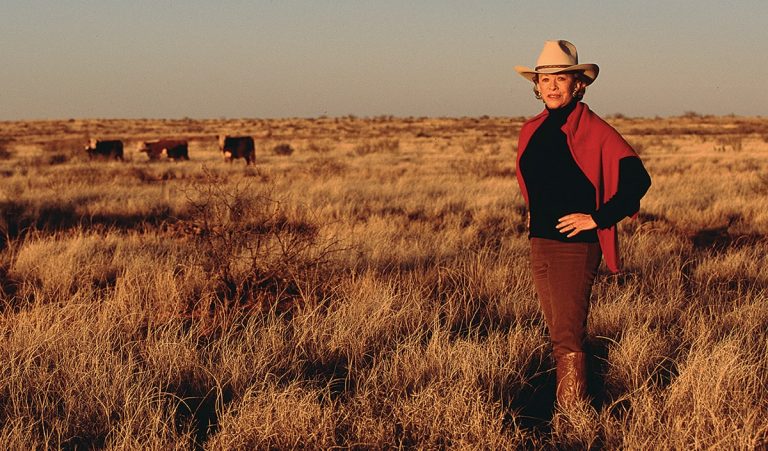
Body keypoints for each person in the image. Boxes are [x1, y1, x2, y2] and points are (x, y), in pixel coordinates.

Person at [513, 40, 651, 408]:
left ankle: (574, 421)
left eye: (561, 78)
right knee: (558, 331)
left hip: (575, 246)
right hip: (541, 241)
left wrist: (598, 218)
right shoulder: (533, 129)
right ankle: (568, 408)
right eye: (545, 79)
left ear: (578, 85)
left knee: (568, 335)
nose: (552, 86)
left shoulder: (595, 129)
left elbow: (638, 180)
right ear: (536, 85)